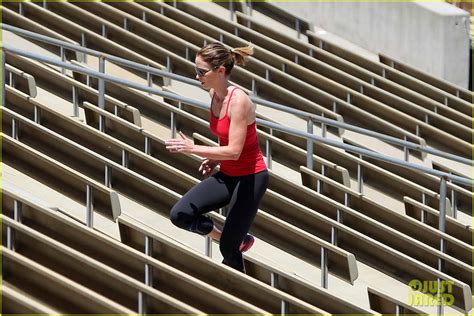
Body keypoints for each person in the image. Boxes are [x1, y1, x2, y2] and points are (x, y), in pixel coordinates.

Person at [165, 42, 268, 273]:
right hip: (229, 174)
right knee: (180, 214)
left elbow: (234, 151)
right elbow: (226, 140)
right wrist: (214, 159)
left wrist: (193, 149)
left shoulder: (239, 101)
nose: (197, 75)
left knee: (227, 250)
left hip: (251, 178)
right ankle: (237, 239)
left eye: (202, 71)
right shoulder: (214, 93)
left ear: (220, 71)